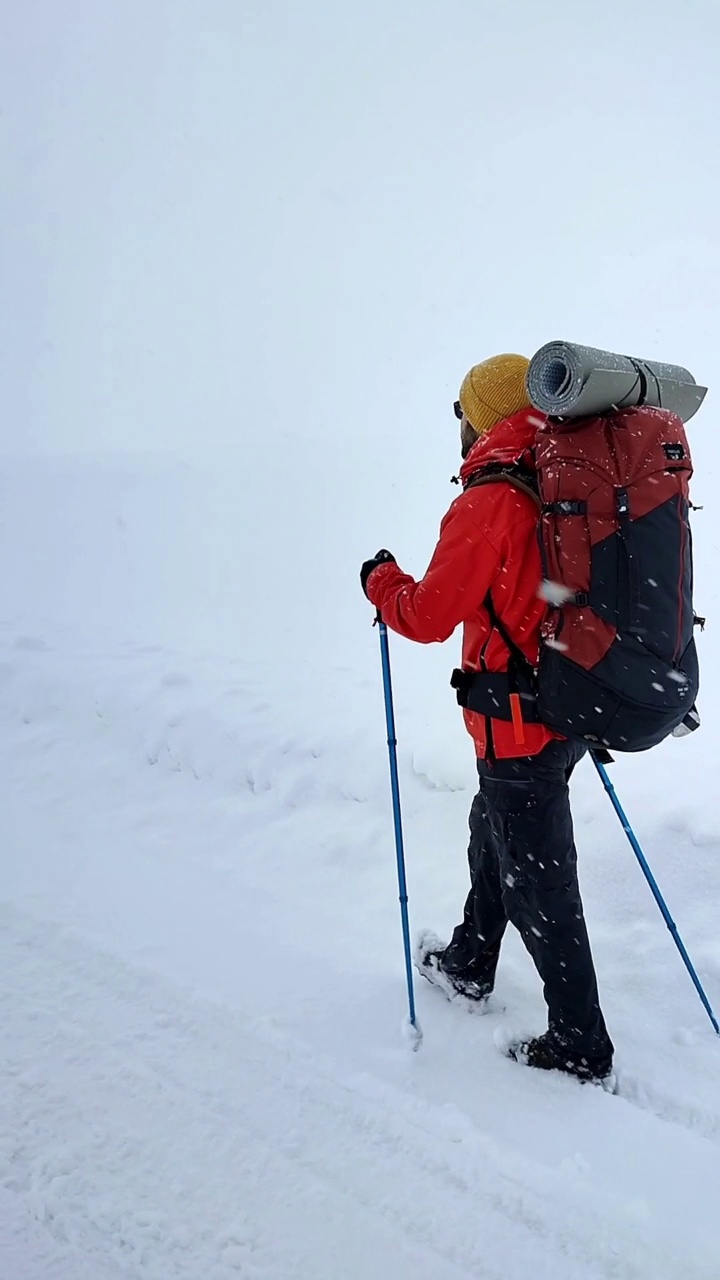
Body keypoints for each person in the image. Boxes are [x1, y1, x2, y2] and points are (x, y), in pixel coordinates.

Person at [360, 354, 614, 1083]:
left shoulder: (491, 499)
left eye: (463, 412)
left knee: (542, 885)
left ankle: (580, 1047)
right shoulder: (561, 479)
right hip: (566, 707)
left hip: (518, 726)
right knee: (495, 835)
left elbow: (428, 614)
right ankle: (471, 959)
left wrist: (382, 582)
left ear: (481, 418)